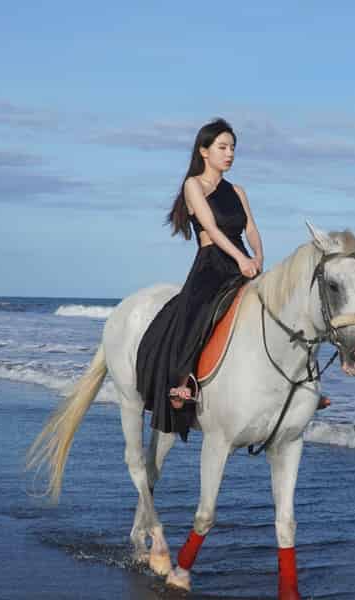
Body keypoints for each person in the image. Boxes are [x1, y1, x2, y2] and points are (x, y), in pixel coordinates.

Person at [135, 118, 262, 441]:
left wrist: (258, 257)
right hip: (212, 265)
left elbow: (249, 228)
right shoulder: (194, 186)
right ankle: (184, 382)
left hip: (243, 262)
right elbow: (212, 229)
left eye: (233, 147)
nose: (229, 153)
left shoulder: (238, 191)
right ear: (204, 151)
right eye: (222, 147)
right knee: (199, 313)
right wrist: (241, 258)